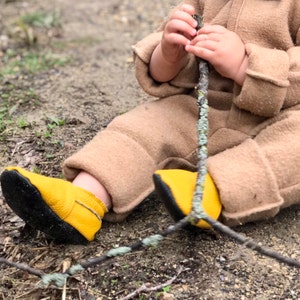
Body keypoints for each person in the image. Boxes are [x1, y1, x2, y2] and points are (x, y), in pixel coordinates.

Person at [1, 0, 300, 244]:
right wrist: (169, 52)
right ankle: (83, 199)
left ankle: (210, 193)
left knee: (292, 149)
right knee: (145, 126)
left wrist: (246, 66)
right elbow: (166, 72)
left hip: (284, 116)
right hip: (209, 107)